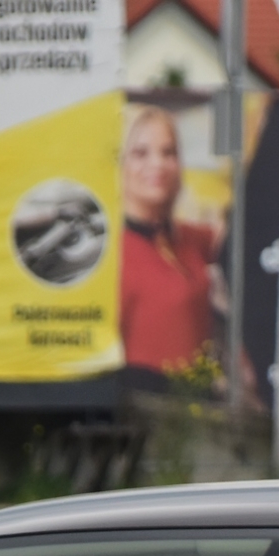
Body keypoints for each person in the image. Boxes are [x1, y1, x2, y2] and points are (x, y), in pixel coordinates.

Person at [119, 103, 222, 382]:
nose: (158, 164)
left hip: (197, 401)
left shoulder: (193, 239)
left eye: (169, 152)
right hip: (135, 402)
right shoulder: (109, 249)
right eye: (141, 153)